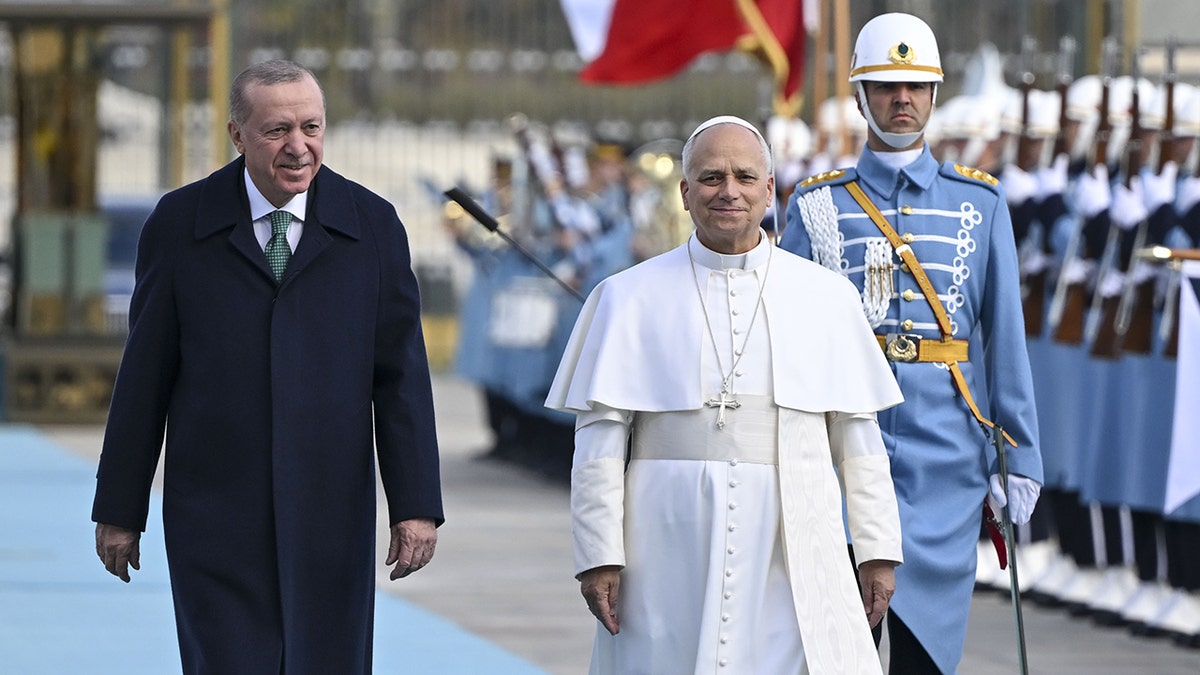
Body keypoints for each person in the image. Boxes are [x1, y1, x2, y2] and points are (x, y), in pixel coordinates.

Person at [91, 59, 443, 674]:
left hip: (331, 515)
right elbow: (144, 377)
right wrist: (120, 507)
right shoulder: (179, 226)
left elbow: (401, 379)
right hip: (214, 513)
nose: (299, 146)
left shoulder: (373, 225)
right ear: (237, 135)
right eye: (278, 130)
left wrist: (415, 504)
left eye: (312, 126)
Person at [546, 115, 906, 674]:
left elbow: (858, 442)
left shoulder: (827, 298)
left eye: (744, 176)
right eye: (711, 178)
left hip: (793, 539)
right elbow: (598, 446)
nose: (728, 191)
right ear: (686, 193)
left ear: (769, 190)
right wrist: (598, 555)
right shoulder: (625, 297)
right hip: (662, 544)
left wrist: (878, 549)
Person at [781, 13, 1043, 674]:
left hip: (945, 467)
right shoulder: (816, 206)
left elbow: (1003, 340)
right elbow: (784, 341)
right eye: (888, 85)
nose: (904, 99)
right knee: (840, 656)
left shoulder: (980, 205)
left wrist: (1023, 453)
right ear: (863, 94)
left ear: (934, 94)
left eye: (918, 86)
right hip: (841, 458)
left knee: (926, 662)